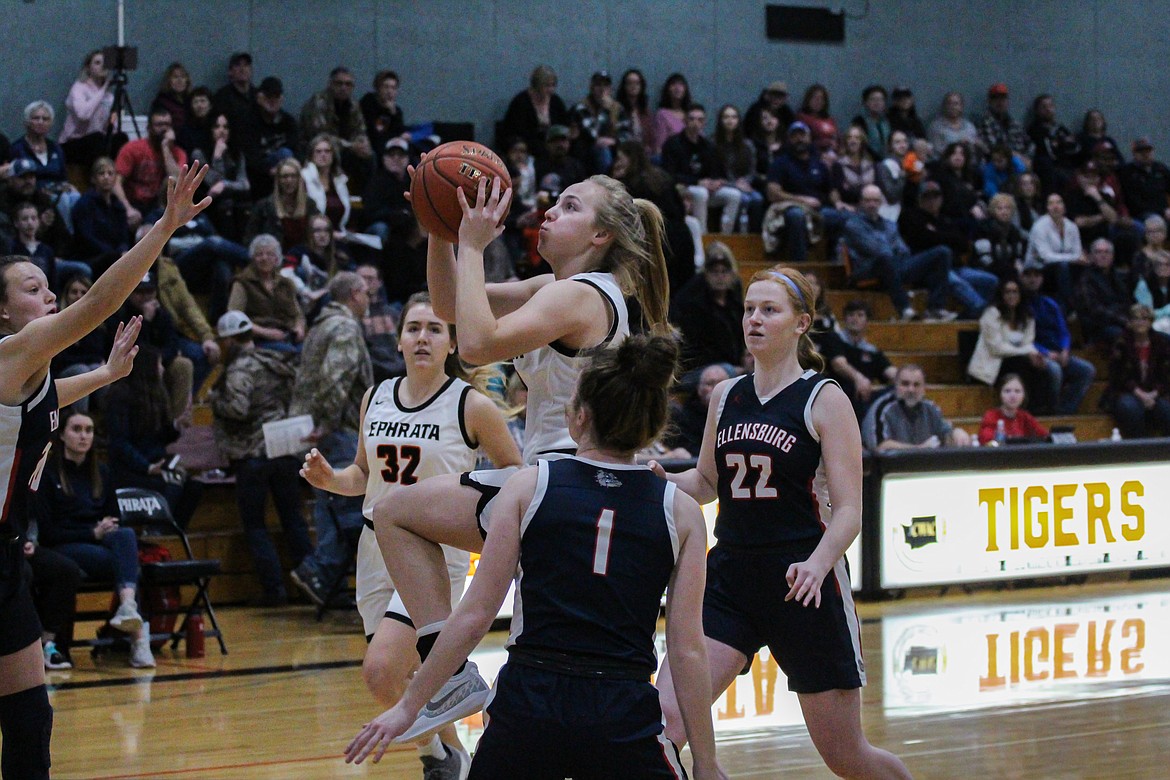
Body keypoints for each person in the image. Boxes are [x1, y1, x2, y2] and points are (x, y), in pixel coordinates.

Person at [370, 171, 672, 738]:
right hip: (556, 480)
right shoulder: (554, 288)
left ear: (601, 235)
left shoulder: (580, 295)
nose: (551, 212)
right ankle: (459, 676)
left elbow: (476, 345)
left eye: (570, 206)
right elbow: (448, 305)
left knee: (394, 512)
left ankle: (452, 670)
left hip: (565, 482)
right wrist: (441, 228)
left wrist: (474, 244)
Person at [346, 334, 725, 780]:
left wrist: (409, 705)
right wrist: (706, 762)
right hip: (620, 706)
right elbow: (687, 650)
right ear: (655, 424)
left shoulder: (530, 485)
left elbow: (475, 614)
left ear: (578, 417)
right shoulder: (680, 510)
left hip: (529, 699)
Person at [650, 265, 912, 779]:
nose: (754, 318)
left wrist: (817, 565)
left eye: (769, 310)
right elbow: (706, 483)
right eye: (749, 308)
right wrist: (660, 476)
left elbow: (850, 511)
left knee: (846, 757)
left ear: (801, 323)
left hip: (804, 586)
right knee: (664, 722)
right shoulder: (726, 395)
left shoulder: (825, 399)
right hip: (730, 580)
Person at [0, 162, 206, 779]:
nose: (49, 296)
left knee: (31, 720)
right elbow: (99, 302)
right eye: (33, 289)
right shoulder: (10, 355)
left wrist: (107, 376)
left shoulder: (26, 377)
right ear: (3, 313)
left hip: (7, 558)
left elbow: (48, 400)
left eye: (48, 287)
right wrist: (164, 227)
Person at [303, 290, 520, 777]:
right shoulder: (375, 397)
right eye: (414, 328)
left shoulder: (472, 406)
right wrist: (329, 480)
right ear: (399, 340)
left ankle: (439, 754)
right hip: (374, 549)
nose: (423, 337)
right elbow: (362, 475)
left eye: (434, 329)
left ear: (451, 343)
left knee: (381, 670)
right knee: (393, 679)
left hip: (434, 553)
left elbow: (515, 475)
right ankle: (445, 751)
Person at [35, 409, 155, 667]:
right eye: (76, 429)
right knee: (127, 564)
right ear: (63, 436)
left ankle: (127, 607)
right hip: (65, 544)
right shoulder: (48, 474)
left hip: (100, 541)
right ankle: (139, 640)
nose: (83, 436)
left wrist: (104, 530)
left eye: (88, 430)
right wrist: (92, 532)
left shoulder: (102, 472)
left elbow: (114, 516)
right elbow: (48, 533)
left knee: (124, 535)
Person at [208, 310, 310, 607]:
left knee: (255, 525)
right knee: (294, 521)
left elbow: (237, 409)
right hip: (284, 449)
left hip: (252, 454)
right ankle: (310, 584)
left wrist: (215, 400)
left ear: (227, 340)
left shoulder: (240, 369)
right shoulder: (274, 362)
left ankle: (274, 591)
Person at [288, 272, 374, 607]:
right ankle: (320, 571)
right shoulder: (345, 327)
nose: (368, 299)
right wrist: (326, 423)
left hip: (314, 427)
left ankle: (322, 577)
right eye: (365, 293)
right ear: (354, 294)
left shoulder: (319, 325)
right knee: (348, 508)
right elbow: (335, 377)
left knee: (329, 506)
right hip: (335, 428)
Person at [842, 184, 957, 321]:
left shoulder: (890, 225)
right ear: (861, 202)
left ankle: (936, 308)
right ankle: (904, 309)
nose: (872, 204)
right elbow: (874, 250)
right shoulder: (853, 225)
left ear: (880, 203)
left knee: (942, 252)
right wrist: (892, 250)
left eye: (875, 200)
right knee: (884, 258)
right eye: (868, 200)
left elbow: (904, 251)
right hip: (867, 269)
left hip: (895, 266)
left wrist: (893, 252)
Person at [1020, 261, 1096, 415]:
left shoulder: (1049, 303)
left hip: (1058, 351)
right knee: (1054, 370)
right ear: (1021, 278)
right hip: (1035, 352)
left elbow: (1063, 331)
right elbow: (1022, 337)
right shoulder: (1019, 305)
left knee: (1087, 370)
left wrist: (1065, 349)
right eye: (1028, 275)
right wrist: (1046, 353)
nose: (1032, 279)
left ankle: (1065, 411)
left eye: (1036, 275)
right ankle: (1050, 410)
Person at [967, 278, 1052, 413]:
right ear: (1001, 294)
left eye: (1015, 292)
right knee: (1022, 363)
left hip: (1016, 359)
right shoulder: (992, 314)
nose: (1011, 295)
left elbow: (1028, 343)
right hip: (992, 364)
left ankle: (1040, 411)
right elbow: (996, 348)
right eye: (1007, 292)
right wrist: (1025, 352)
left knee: (1043, 367)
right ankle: (1023, 410)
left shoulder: (1027, 316)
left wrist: (1034, 355)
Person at [765, 121, 843, 262]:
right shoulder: (780, 163)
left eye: (803, 135)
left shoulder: (819, 164)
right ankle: (800, 265)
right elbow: (773, 193)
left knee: (842, 216)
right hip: (789, 207)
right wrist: (802, 200)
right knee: (796, 216)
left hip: (818, 210)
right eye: (795, 136)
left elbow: (831, 189)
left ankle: (833, 261)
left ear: (810, 138)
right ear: (789, 140)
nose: (799, 139)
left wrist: (838, 203)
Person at [660, 104, 742, 235]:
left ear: (704, 122)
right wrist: (698, 182)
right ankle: (703, 235)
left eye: (699, 120)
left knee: (734, 195)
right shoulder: (672, 144)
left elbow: (715, 171)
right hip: (683, 188)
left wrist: (715, 182)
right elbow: (669, 174)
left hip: (705, 188)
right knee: (701, 193)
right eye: (692, 119)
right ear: (685, 121)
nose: (695, 123)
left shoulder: (707, 145)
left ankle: (727, 235)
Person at [670, 240, 745, 372]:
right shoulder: (693, 306)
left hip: (731, 365)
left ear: (732, 274)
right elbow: (694, 351)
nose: (720, 277)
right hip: (699, 369)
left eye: (724, 271)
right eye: (715, 272)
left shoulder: (735, 305)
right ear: (706, 274)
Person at [862, 364, 971, 450]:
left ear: (924, 388)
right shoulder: (883, 409)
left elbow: (945, 433)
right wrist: (919, 449)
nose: (911, 389)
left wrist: (956, 432)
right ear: (895, 385)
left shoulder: (930, 408)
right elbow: (879, 447)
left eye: (916, 384)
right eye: (905, 384)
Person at [227, 233, 305, 351]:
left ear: (277, 259)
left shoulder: (286, 283)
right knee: (290, 353)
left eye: (270, 254)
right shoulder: (242, 282)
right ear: (253, 258)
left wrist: (299, 327)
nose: (264, 258)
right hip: (258, 339)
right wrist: (265, 332)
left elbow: (298, 314)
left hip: (287, 335)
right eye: (259, 254)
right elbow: (234, 318)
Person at [114, 107, 189, 230]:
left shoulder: (178, 153)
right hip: (134, 203)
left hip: (160, 205)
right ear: (149, 128)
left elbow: (179, 181)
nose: (164, 129)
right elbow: (116, 183)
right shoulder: (132, 148)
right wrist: (128, 209)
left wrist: (166, 148)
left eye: (167, 125)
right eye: (159, 125)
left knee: (174, 181)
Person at [1103, 304, 1170, 438]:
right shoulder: (1121, 343)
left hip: (1155, 392)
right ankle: (1138, 449)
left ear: (1151, 321)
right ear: (1130, 322)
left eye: (1145, 319)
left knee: (1166, 410)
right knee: (1131, 409)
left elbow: (1166, 375)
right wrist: (1141, 394)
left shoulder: (1161, 342)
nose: (1141, 322)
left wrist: (1154, 394)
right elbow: (1118, 376)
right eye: (1136, 319)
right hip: (1127, 391)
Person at [823, 299, 897, 419]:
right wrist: (859, 379)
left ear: (867, 321)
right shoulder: (834, 339)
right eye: (851, 315)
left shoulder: (871, 350)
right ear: (845, 319)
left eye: (860, 315)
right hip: (838, 395)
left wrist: (905, 378)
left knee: (898, 390)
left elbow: (890, 372)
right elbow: (839, 364)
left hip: (865, 398)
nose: (855, 319)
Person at [300, 66, 373, 187]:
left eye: (348, 84)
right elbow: (321, 136)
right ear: (330, 84)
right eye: (339, 83)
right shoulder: (319, 102)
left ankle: (364, 198)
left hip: (346, 149)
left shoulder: (353, 105)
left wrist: (362, 144)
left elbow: (360, 129)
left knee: (370, 156)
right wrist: (351, 146)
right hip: (315, 148)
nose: (343, 88)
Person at [190, 112, 250, 242]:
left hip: (233, 202)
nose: (221, 131)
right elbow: (213, 183)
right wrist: (217, 157)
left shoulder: (236, 153)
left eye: (226, 127)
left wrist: (225, 185)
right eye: (217, 127)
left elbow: (244, 184)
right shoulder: (199, 153)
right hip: (206, 205)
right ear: (210, 130)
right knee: (225, 206)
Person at [58, 49, 121, 171]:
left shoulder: (109, 96)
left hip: (97, 141)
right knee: (96, 138)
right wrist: (104, 88)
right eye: (97, 63)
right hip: (73, 142)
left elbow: (113, 124)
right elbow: (83, 115)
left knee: (120, 138)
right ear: (88, 68)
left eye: (105, 63)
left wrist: (112, 126)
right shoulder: (79, 88)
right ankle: (97, 182)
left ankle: (115, 180)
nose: (102, 66)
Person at [244, 157, 319, 250]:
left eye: (293, 176)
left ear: (299, 179)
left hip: (304, 257)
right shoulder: (263, 206)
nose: (289, 180)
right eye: (285, 176)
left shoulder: (310, 204)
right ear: (278, 180)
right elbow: (250, 239)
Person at [1025, 192, 1085, 307]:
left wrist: (1075, 258)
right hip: (1038, 268)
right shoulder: (1039, 226)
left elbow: (1078, 251)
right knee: (1063, 266)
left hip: (1063, 267)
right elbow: (1046, 257)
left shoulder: (1072, 226)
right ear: (1047, 208)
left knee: (1082, 266)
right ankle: (1069, 303)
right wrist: (1073, 258)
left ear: (1064, 207)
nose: (1055, 206)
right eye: (1051, 203)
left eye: (1059, 202)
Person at [244, 76, 300, 200]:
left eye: (276, 97)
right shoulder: (249, 121)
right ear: (259, 98)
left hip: (286, 171)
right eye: (269, 96)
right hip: (258, 176)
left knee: (287, 153)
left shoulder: (288, 122)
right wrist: (269, 170)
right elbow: (250, 156)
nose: (273, 100)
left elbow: (297, 150)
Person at [498, 65, 570, 161]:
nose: (551, 90)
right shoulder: (521, 102)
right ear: (537, 85)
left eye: (553, 85)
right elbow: (517, 131)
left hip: (553, 144)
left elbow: (563, 124)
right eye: (547, 86)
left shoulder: (556, 102)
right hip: (530, 145)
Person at [72, 156, 131, 269]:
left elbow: (124, 237)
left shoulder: (118, 206)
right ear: (93, 179)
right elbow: (86, 238)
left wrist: (122, 252)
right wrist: (114, 254)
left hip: (115, 256)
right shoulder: (84, 204)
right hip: (91, 257)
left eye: (110, 173)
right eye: (101, 173)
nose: (106, 177)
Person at [568, 70, 630, 174]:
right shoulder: (582, 107)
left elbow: (626, 134)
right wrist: (604, 110)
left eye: (606, 86)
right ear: (591, 88)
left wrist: (615, 141)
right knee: (602, 150)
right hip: (589, 151)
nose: (602, 90)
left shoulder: (618, 108)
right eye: (598, 85)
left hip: (614, 148)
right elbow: (593, 135)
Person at [713, 104, 764, 230]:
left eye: (734, 117)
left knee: (757, 199)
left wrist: (745, 181)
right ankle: (736, 236)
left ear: (738, 121)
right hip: (724, 186)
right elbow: (714, 173)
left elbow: (752, 170)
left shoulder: (747, 145)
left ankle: (754, 237)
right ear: (720, 120)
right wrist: (735, 184)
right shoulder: (712, 144)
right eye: (726, 117)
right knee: (742, 198)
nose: (730, 120)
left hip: (744, 183)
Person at [1074, 238, 1132, 347]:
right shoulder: (1086, 279)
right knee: (1124, 336)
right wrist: (1125, 321)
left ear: (1112, 256)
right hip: (1100, 326)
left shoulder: (1118, 276)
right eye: (1098, 252)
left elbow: (1127, 301)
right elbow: (1095, 310)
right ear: (1091, 256)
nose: (1103, 255)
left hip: (1121, 320)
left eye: (1106, 252)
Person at [973, 193, 1029, 282]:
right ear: (993, 210)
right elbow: (985, 258)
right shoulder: (984, 228)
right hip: (986, 268)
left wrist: (1019, 267)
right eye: (1000, 208)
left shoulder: (1014, 231)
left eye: (1007, 208)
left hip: (1008, 269)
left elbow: (1017, 256)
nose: (1004, 212)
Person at [978, 373, 1048, 445]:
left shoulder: (1025, 417)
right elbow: (985, 440)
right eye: (1007, 391)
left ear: (1024, 395)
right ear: (1000, 394)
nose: (1013, 396)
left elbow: (1045, 436)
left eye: (1017, 391)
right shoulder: (991, 416)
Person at [1119, 137, 1170, 224]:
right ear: (1134, 153)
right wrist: (1162, 211)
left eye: (1148, 151)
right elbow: (1133, 203)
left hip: (1165, 211)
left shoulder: (1161, 168)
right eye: (1140, 151)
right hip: (1141, 214)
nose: (1145, 154)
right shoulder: (1128, 172)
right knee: (1157, 221)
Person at [359, 70, 408, 160]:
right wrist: (386, 111)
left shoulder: (396, 110)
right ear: (378, 88)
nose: (389, 91)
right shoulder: (368, 102)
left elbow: (400, 132)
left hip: (391, 145)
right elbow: (376, 132)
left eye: (393, 88)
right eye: (386, 87)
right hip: (371, 144)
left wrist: (393, 114)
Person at [978, 83, 1032, 159]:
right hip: (1000, 164)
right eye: (996, 99)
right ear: (990, 102)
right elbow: (993, 149)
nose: (1000, 102)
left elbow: (1029, 144)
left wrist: (1027, 158)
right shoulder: (985, 123)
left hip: (1021, 163)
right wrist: (1016, 156)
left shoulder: (1015, 124)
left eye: (1003, 99)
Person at [927, 92, 983, 161]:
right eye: (949, 103)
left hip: (969, 166)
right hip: (945, 165)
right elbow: (935, 152)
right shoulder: (936, 127)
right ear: (944, 106)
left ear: (961, 107)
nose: (953, 107)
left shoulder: (970, 126)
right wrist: (958, 146)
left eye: (956, 104)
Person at [649, 72, 692, 159]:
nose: (677, 88)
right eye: (673, 84)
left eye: (681, 84)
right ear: (667, 90)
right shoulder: (662, 114)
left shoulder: (691, 114)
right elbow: (659, 147)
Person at [1133, 247, 1170, 333]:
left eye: (1167, 264)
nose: (1163, 267)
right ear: (1153, 266)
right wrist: (1167, 310)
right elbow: (1147, 313)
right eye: (1159, 264)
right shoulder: (1144, 284)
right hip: (1151, 323)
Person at [795, 83, 838, 158]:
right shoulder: (801, 118)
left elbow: (836, 137)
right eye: (815, 98)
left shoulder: (829, 119)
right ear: (808, 100)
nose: (818, 101)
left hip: (832, 155)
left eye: (821, 98)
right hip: (812, 156)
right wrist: (823, 143)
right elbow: (799, 142)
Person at [616, 68, 653, 153]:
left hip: (644, 153)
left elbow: (651, 136)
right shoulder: (617, 109)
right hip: (625, 152)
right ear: (624, 86)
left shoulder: (645, 111)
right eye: (630, 83)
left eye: (637, 83)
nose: (634, 86)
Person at [852, 84, 891, 159]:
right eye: (873, 99)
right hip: (867, 160)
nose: (877, 103)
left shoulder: (888, 121)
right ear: (866, 102)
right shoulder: (859, 121)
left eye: (880, 99)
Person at [151, 63, 193, 133]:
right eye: (175, 77)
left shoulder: (191, 101)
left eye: (183, 77)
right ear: (169, 81)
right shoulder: (161, 102)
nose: (179, 80)